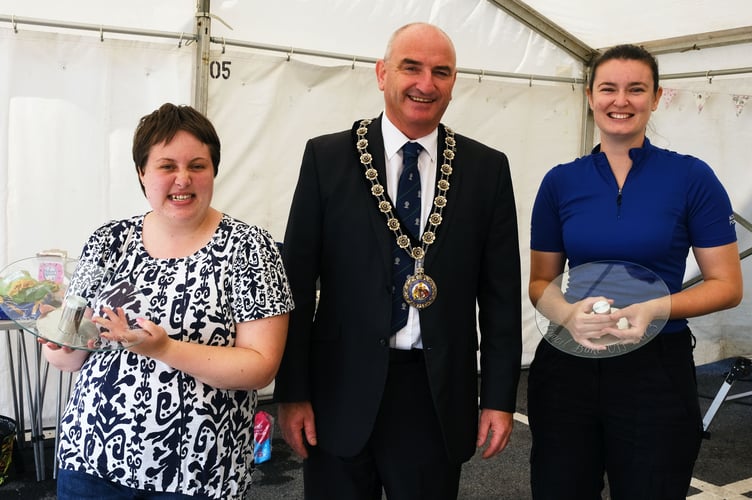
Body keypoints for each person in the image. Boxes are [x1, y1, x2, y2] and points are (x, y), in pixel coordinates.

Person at [273, 22, 522, 500]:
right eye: (411, 67)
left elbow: (500, 298)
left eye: (441, 72)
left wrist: (497, 399)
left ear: (453, 83)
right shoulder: (327, 158)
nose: (425, 84)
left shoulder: (485, 169)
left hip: (432, 393)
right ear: (382, 73)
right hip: (338, 389)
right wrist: (293, 391)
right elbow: (297, 286)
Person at [40, 103, 294, 500]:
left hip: (198, 470)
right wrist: (57, 341)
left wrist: (165, 349)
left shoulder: (249, 248)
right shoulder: (109, 240)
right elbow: (75, 352)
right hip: (92, 460)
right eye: (166, 166)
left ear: (213, 171)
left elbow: (260, 366)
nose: (183, 179)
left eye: (197, 165)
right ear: (142, 172)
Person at [527, 44, 743, 499]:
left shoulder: (691, 178)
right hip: (568, 365)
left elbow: (727, 284)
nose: (620, 101)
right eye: (608, 88)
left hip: (656, 367)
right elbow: (541, 283)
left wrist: (655, 308)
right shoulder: (561, 181)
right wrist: (566, 315)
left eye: (636, 89)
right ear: (590, 96)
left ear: (657, 96)